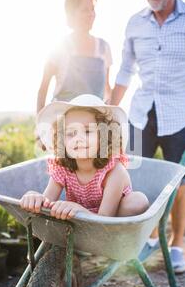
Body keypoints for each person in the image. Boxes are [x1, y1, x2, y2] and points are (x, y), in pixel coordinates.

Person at [109, 0, 185, 273]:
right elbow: (125, 70)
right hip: (140, 113)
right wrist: (109, 110)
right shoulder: (135, 23)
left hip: (179, 115)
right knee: (131, 177)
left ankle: (177, 245)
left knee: (179, 183)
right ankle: (151, 239)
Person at [21, 94, 149, 220]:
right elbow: (46, 204)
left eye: (88, 131)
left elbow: (105, 219)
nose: (78, 139)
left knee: (138, 201)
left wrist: (79, 210)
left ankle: (124, 238)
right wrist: (35, 198)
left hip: (111, 222)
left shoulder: (114, 172)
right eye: (71, 133)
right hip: (81, 225)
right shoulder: (63, 168)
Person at [36, 0, 113, 115]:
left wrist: (110, 115)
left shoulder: (104, 48)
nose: (91, 14)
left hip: (94, 123)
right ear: (71, 14)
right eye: (85, 10)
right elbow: (43, 90)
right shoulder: (59, 48)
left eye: (92, 9)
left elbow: (107, 89)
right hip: (62, 120)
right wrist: (40, 125)